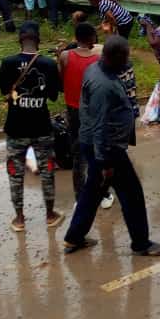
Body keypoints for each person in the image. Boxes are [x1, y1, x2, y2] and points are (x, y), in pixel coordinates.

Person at [63, 36, 160, 256]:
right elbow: (101, 125)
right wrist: (105, 162)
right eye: (126, 56)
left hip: (92, 142)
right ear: (117, 57)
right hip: (106, 148)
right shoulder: (104, 85)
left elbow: (87, 111)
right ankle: (141, 243)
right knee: (132, 193)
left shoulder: (95, 69)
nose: (129, 60)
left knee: (93, 190)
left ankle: (74, 237)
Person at [0, 22, 62, 232]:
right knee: (47, 171)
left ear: (19, 40)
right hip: (41, 127)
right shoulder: (48, 64)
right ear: (38, 40)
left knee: (15, 173)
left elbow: (4, 92)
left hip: (16, 128)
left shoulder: (8, 62)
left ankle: (19, 218)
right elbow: (53, 96)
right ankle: (50, 215)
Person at [59, 21, 103, 196]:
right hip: (93, 110)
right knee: (96, 151)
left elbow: (62, 81)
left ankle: (79, 194)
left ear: (76, 38)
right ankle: (101, 191)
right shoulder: (98, 60)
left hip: (73, 109)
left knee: (78, 153)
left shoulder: (65, 56)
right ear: (92, 37)